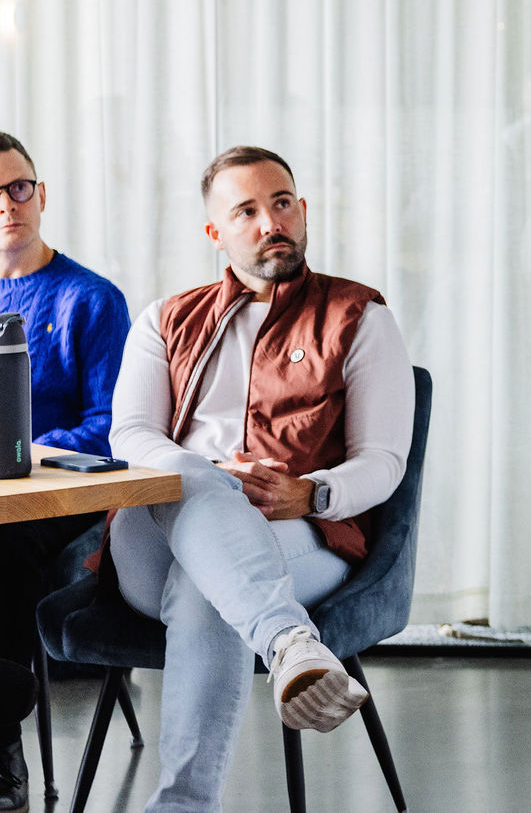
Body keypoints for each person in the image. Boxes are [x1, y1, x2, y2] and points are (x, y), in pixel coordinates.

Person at [107, 145, 414, 813]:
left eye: (281, 203)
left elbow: (384, 459)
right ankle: (290, 641)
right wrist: (206, 477)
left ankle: (182, 806)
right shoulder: (165, 320)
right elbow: (130, 437)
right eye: (246, 210)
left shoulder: (358, 317)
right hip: (153, 539)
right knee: (187, 478)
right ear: (216, 233)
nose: (270, 220)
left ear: (302, 213)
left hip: (295, 535)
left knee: (207, 587)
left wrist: (315, 492)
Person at [0, 132, 130, 812]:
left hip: (60, 499)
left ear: (40, 195)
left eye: (18, 187)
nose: (7, 204)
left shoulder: (91, 300)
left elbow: (113, 426)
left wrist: (27, 451)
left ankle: (0, 747)